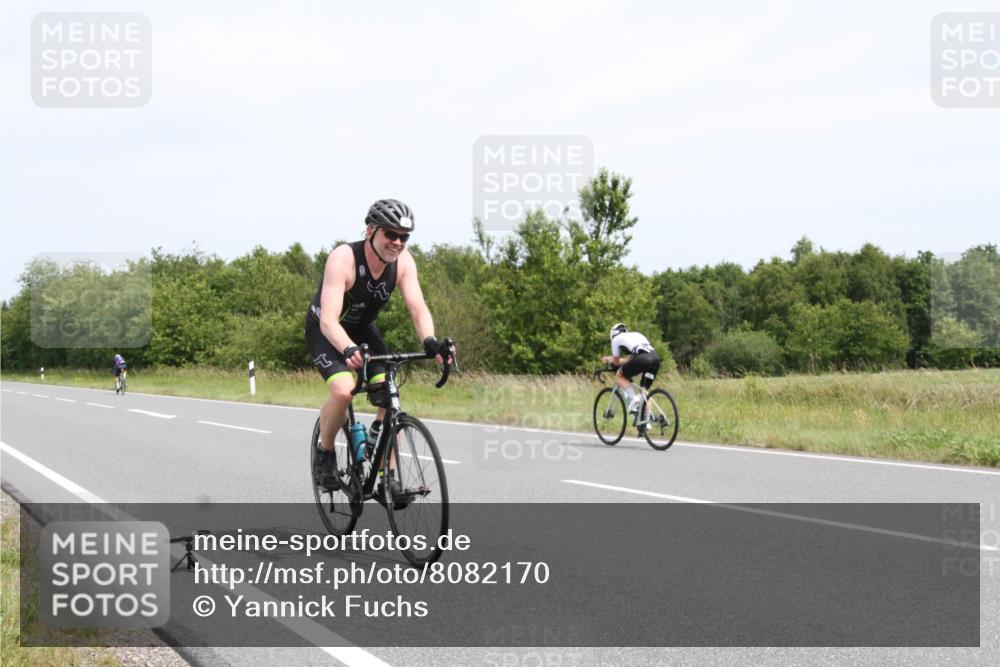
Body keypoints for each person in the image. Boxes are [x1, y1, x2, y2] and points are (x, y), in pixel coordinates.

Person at [305, 198, 449, 501]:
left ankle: (388, 479)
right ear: (370, 230)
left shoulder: (404, 262)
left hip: (363, 330)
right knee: (344, 390)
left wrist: (431, 342)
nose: (397, 242)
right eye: (390, 234)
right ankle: (325, 453)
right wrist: (346, 349)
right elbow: (330, 320)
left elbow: (417, 307)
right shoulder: (343, 258)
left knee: (390, 395)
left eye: (404, 237)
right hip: (328, 332)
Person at [602, 323, 661, 414]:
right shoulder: (636, 335)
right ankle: (646, 421)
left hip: (642, 358)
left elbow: (616, 362)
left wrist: (609, 359)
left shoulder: (615, 340)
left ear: (613, 334)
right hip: (655, 358)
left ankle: (633, 399)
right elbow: (628, 360)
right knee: (644, 392)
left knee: (619, 376)